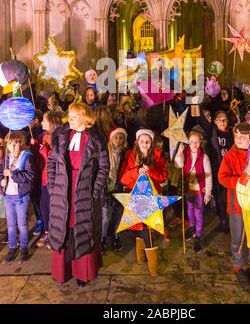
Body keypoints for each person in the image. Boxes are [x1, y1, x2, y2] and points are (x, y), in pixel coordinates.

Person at [47, 103, 109, 286]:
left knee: (82, 228)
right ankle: (63, 271)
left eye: (73, 116)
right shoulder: (62, 136)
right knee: (63, 228)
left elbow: (104, 168)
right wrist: (52, 185)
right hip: (62, 189)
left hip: (84, 191)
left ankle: (83, 273)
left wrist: (94, 191)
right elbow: (52, 162)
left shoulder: (97, 139)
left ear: (83, 117)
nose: (69, 119)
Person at [119, 128, 168, 276]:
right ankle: (146, 261)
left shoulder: (158, 157)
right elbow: (123, 179)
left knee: (146, 227)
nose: (145, 144)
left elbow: (163, 177)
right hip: (136, 198)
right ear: (137, 142)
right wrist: (136, 171)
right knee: (142, 227)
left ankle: (148, 263)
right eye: (142, 141)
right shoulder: (130, 156)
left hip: (152, 198)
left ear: (151, 143)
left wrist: (150, 171)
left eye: (147, 142)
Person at [218, 122, 250, 292]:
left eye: (244, 136)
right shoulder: (229, 156)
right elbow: (222, 177)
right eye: (236, 136)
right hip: (236, 202)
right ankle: (237, 266)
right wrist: (239, 182)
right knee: (238, 237)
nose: (240, 139)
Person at [0, 131, 35, 264]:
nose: (12, 147)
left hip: (21, 196)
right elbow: (0, 173)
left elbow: (29, 176)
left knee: (22, 224)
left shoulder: (26, 157)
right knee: (11, 225)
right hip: (8, 196)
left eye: (15, 144)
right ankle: (12, 247)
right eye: (10, 144)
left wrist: (13, 174)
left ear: (21, 143)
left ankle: (24, 248)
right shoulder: (7, 158)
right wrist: (1, 182)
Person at [174, 130, 212, 253]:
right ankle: (192, 228)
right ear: (188, 143)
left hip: (199, 191)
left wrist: (208, 192)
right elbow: (178, 165)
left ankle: (199, 236)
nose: (194, 144)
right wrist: (179, 154)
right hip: (188, 189)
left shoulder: (204, 157)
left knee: (198, 214)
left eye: (196, 142)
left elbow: (209, 176)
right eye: (191, 142)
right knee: (189, 211)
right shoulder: (185, 153)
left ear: (200, 142)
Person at [36, 110, 63, 249]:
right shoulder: (44, 135)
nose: (41, 122)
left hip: (54, 179)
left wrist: (44, 152)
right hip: (44, 178)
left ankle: (54, 234)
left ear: (51, 122)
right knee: (44, 207)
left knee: (54, 209)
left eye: (44, 120)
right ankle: (47, 232)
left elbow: (55, 160)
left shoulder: (58, 138)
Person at [101, 126, 128, 254]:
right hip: (106, 185)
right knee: (105, 214)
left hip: (119, 185)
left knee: (119, 212)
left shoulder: (126, 153)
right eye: (116, 137)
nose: (118, 140)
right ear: (111, 139)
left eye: (121, 138)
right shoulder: (105, 152)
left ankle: (116, 235)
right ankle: (102, 237)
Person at [209, 111, 234, 233]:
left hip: (230, 170)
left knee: (229, 196)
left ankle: (231, 220)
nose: (222, 122)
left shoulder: (233, 133)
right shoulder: (212, 132)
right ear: (214, 122)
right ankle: (223, 219)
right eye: (219, 119)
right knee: (219, 196)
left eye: (224, 119)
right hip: (218, 169)